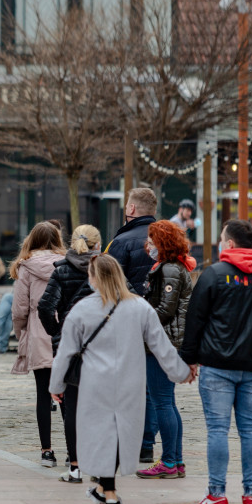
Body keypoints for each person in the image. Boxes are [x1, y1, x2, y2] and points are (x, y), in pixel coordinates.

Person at [49, 254, 192, 504]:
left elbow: (66, 352)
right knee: (120, 433)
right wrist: (181, 372)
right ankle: (106, 488)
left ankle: (109, 490)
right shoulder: (140, 307)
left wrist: (56, 384)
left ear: (93, 278)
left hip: (94, 382)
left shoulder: (82, 309)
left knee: (101, 434)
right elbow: (162, 346)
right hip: (130, 381)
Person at [181, 219, 252, 504]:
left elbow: (195, 321)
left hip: (217, 364)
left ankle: (216, 495)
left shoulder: (213, 275)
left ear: (229, 244)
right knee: (250, 429)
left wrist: (189, 359)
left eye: (220, 239)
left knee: (218, 430)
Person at [37, 224, 101, 483]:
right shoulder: (106, 268)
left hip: (72, 344)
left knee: (72, 406)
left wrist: (57, 332)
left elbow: (44, 307)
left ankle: (74, 466)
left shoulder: (61, 270)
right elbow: (125, 296)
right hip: (101, 344)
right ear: (98, 244)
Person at [137, 220, 195, 481]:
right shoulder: (172, 267)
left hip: (164, 344)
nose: (146, 244)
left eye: (151, 239)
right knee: (168, 403)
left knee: (162, 403)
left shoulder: (170, 269)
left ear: (161, 242)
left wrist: (139, 321)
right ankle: (176, 459)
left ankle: (169, 461)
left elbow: (165, 310)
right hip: (169, 343)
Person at [104, 186, 158, 463]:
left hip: (126, 321)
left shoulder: (120, 241)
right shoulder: (165, 237)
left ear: (131, 210)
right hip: (160, 320)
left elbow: (106, 283)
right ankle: (148, 443)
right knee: (153, 386)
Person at [9, 222, 66, 468]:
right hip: (66, 331)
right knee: (68, 394)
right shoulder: (68, 263)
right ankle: (74, 452)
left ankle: (46, 451)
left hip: (39, 331)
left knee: (43, 394)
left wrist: (21, 332)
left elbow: (19, 308)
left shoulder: (27, 267)